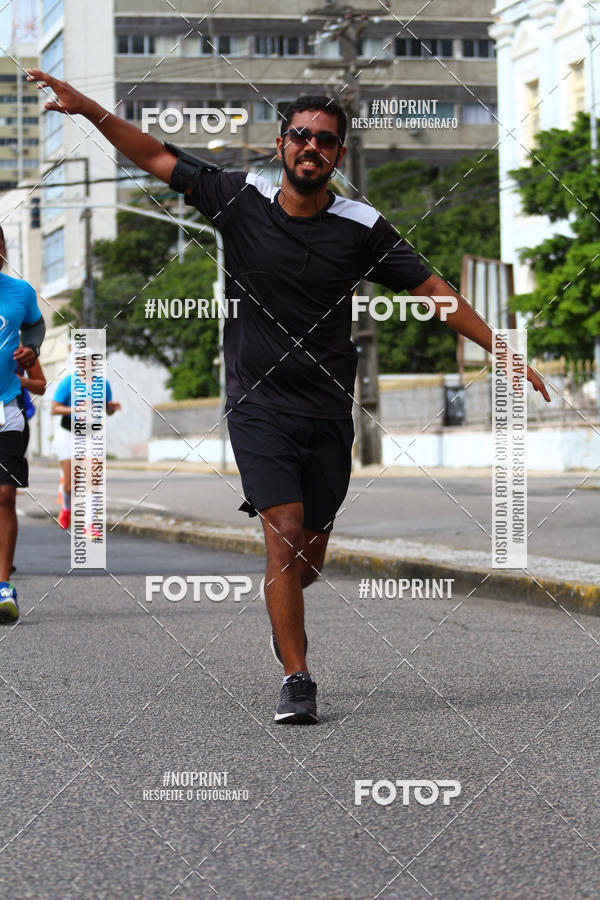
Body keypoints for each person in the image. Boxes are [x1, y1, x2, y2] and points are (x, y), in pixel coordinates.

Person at [26, 68, 551, 722]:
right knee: (286, 534)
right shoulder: (236, 197)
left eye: (325, 140)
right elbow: (156, 154)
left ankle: (283, 598)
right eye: (300, 136)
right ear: (281, 145)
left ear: (338, 154)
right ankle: (298, 677)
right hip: (257, 406)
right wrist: (88, 111)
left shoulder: (362, 227)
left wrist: (499, 347)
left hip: (329, 410)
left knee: (307, 559)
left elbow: (434, 293)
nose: (311, 147)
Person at [0, 225, 46, 624]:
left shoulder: (20, 292)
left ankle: (3, 586)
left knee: (4, 496)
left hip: (7, 409)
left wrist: (32, 349)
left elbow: (35, 326)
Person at [51, 357, 121, 530]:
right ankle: (66, 509)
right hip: (69, 433)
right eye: (84, 360)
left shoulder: (103, 384)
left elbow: (107, 410)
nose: (88, 364)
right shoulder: (68, 382)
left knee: (93, 479)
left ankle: (90, 524)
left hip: (92, 434)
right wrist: (75, 409)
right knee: (70, 485)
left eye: (92, 360)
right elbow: (54, 408)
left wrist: (111, 408)